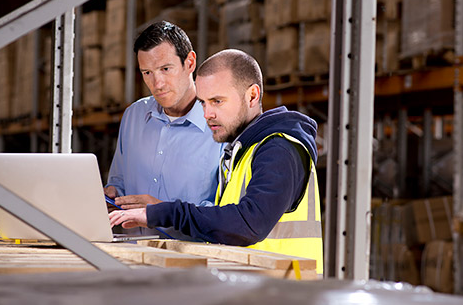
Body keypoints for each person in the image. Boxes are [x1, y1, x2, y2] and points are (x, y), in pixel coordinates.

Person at [110, 49, 323, 273]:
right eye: (203, 103)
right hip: (258, 293)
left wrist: (163, 212)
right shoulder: (241, 152)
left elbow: (248, 224)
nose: (207, 114)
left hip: (285, 297)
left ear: (252, 96)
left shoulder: (279, 149)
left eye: (217, 101)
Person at [105, 21, 223, 239]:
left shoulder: (220, 125)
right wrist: (112, 197)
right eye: (147, 72)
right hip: (133, 256)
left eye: (165, 69)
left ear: (190, 62)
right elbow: (118, 182)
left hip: (193, 262)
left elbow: (226, 214)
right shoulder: (133, 117)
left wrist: (163, 211)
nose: (157, 83)